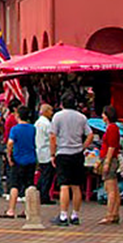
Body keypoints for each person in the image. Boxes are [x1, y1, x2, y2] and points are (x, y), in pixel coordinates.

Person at [50, 91, 94, 226]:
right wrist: (82, 147)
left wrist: (52, 154)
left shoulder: (57, 117)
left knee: (64, 185)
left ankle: (63, 215)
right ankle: (75, 215)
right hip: (77, 153)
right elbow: (90, 135)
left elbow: (52, 136)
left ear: (62, 104)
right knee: (76, 186)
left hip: (63, 152)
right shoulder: (81, 117)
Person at [1, 106, 38, 219]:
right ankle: (28, 210)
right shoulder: (32, 128)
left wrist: (9, 155)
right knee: (29, 185)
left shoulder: (15, 129)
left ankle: (11, 210)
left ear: (18, 116)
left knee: (14, 185)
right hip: (31, 158)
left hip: (18, 159)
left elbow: (10, 143)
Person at [98, 105, 122, 224]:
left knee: (110, 188)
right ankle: (115, 213)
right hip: (111, 158)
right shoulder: (112, 128)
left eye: (103, 114)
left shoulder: (112, 128)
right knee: (114, 188)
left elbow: (112, 146)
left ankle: (110, 214)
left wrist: (106, 161)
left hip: (110, 159)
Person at [34, 102, 56, 204]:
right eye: (50, 110)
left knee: (43, 173)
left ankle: (39, 193)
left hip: (39, 150)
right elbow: (52, 137)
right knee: (47, 175)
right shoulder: (47, 124)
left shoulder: (37, 123)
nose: (52, 113)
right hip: (46, 151)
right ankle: (44, 196)